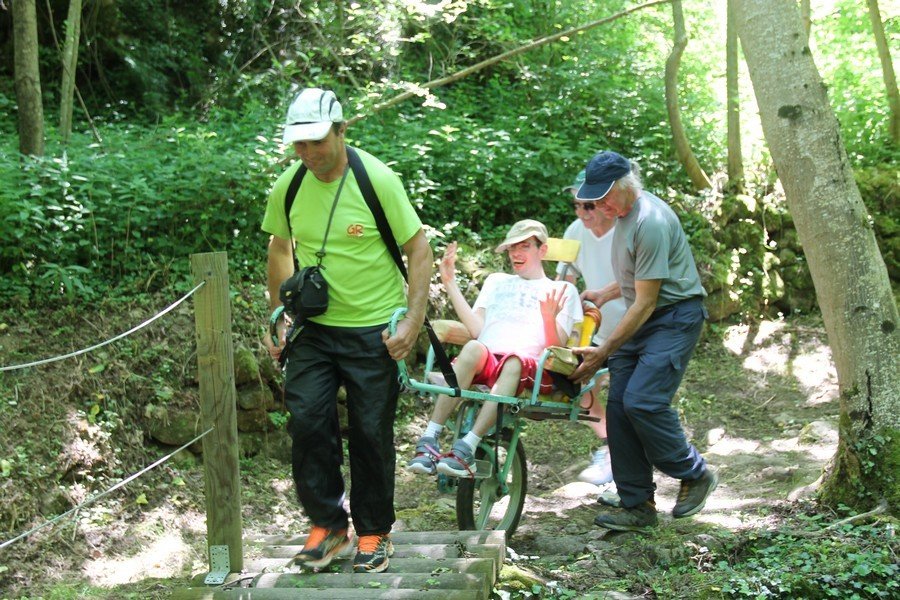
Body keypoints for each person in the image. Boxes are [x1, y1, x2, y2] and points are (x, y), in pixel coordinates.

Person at [262, 87, 433, 572]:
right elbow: (279, 246)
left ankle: (374, 532)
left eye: (317, 141)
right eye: (299, 144)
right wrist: (279, 315)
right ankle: (329, 527)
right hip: (314, 330)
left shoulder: (375, 179)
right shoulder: (290, 185)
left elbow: (418, 250)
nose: (309, 153)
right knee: (309, 423)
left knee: (370, 434)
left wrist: (413, 320)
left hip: (373, 331)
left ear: (341, 130)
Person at [569, 151, 717, 532]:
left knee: (643, 401)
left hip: (672, 317)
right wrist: (604, 292)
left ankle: (694, 473)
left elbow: (649, 297)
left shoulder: (649, 220)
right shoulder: (623, 214)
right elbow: (641, 274)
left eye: (603, 198)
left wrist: (604, 350)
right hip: (645, 315)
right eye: (593, 200)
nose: (598, 207)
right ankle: (637, 506)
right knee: (618, 409)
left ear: (624, 186)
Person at [406, 220, 582, 478]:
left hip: (528, 366)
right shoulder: (496, 281)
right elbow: (478, 330)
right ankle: (429, 438)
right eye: (512, 248)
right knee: (474, 347)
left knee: (513, 361)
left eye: (524, 246)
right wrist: (449, 283)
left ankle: (468, 446)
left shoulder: (561, 290)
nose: (516, 254)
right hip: (489, 359)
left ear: (542, 250)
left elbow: (555, 350)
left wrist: (547, 317)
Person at [556, 169, 627, 489]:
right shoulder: (574, 231)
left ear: (606, 203)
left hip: (634, 325)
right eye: (576, 205)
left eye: (588, 206)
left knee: (627, 398)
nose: (581, 212)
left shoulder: (629, 229)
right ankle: (611, 448)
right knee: (583, 391)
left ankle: (628, 462)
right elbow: (564, 283)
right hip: (596, 329)